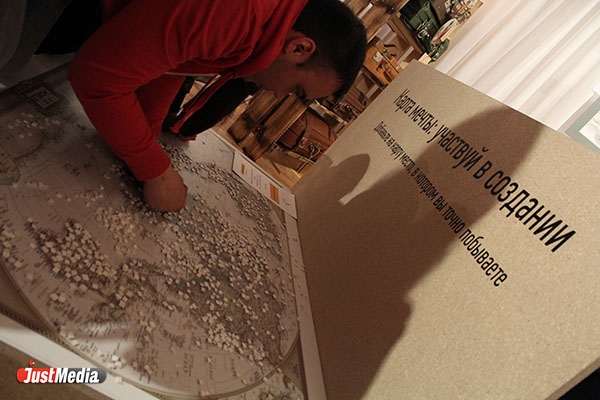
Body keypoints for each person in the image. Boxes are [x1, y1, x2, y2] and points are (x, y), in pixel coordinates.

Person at [1, 0, 367, 212]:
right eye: (298, 90)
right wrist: (155, 171)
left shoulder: (265, 19)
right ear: (299, 48)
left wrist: (146, 137)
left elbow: (174, 61)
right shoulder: (240, 14)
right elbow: (96, 78)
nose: (280, 95)